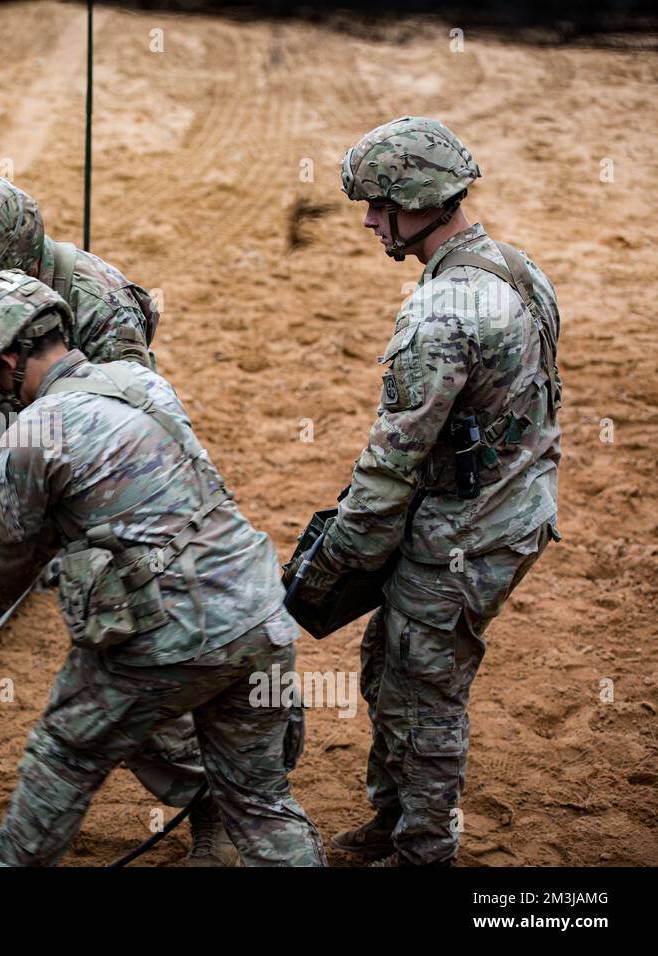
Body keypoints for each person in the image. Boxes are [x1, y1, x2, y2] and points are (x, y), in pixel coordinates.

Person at [0, 176, 237, 864]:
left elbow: (132, 419)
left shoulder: (98, 301)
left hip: (90, 493)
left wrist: (41, 469)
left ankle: (209, 804)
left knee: (126, 642)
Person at [0, 270, 326, 867]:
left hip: (170, 635)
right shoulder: (142, 381)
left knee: (64, 754)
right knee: (259, 801)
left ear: (11, 356)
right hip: (258, 613)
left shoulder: (32, 433)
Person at [286, 116, 562, 867]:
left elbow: (390, 465)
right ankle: (393, 818)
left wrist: (339, 558)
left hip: (466, 532)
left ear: (420, 199)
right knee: (390, 661)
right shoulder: (517, 267)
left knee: (426, 687)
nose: (370, 221)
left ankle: (422, 849)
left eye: (379, 205)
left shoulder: (440, 315)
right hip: (514, 509)